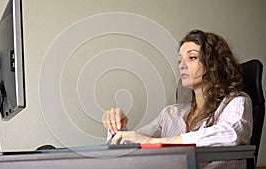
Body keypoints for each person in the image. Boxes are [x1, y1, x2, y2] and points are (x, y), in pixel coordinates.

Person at [102, 29, 253, 169]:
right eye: (180, 60)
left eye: (192, 57)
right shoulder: (171, 114)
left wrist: (156, 143)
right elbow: (129, 146)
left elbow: (232, 134)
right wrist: (117, 127)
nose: (182, 65)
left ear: (214, 64)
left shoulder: (236, 102)